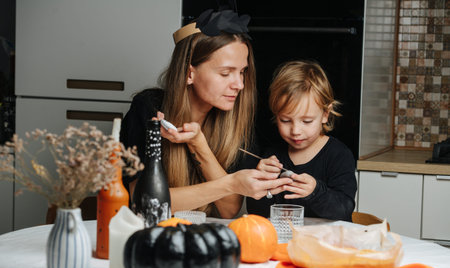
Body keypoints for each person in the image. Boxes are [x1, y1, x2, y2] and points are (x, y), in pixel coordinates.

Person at [120, 8, 292, 219]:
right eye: (225, 73)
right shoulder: (149, 108)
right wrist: (231, 183)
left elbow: (228, 210)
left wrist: (198, 143)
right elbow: (144, 201)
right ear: (189, 73)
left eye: (242, 72)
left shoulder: (236, 121)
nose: (239, 84)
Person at [246, 61, 356, 221]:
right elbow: (256, 214)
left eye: (306, 121)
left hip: (327, 242)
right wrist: (262, 182)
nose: (296, 131)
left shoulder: (339, 155)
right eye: (285, 120)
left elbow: (343, 209)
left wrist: (316, 192)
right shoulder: (273, 156)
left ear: (325, 114)